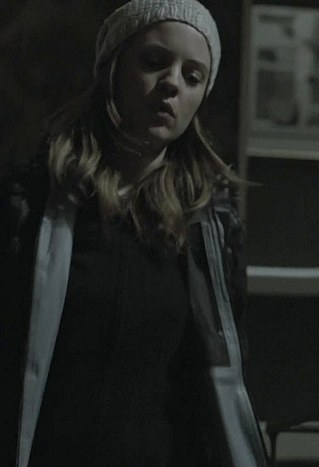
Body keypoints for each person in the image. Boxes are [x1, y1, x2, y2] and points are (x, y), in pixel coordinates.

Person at [0, 0, 268, 465]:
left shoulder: (209, 229)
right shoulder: (33, 205)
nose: (172, 83)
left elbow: (215, 383)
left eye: (192, 76)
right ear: (112, 69)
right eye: (154, 61)